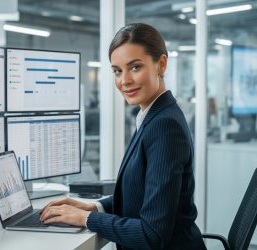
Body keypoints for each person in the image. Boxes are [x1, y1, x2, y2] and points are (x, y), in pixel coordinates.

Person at [40, 23, 207, 250]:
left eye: (135, 67)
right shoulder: (152, 116)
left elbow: (152, 234)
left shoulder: (165, 125)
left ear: (161, 64)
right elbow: (141, 196)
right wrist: (94, 208)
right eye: (117, 71)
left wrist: (86, 220)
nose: (124, 80)